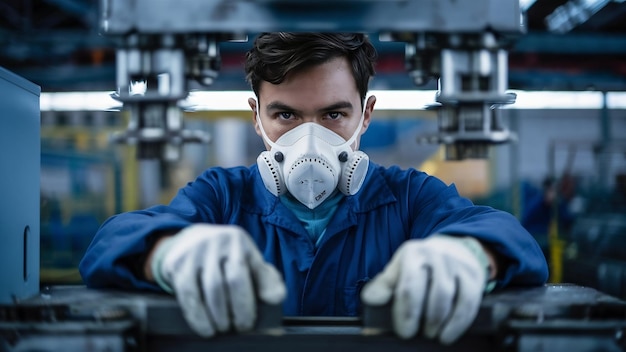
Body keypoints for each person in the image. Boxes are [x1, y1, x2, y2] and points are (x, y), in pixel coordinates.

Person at [79, 32, 548, 345]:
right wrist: (166, 253)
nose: (310, 140)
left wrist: (468, 255)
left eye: (333, 115)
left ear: (366, 114)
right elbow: (110, 242)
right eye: (285, 115)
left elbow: (511, 238)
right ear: (255, 116)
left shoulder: (409, 198)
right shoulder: (222, 197)